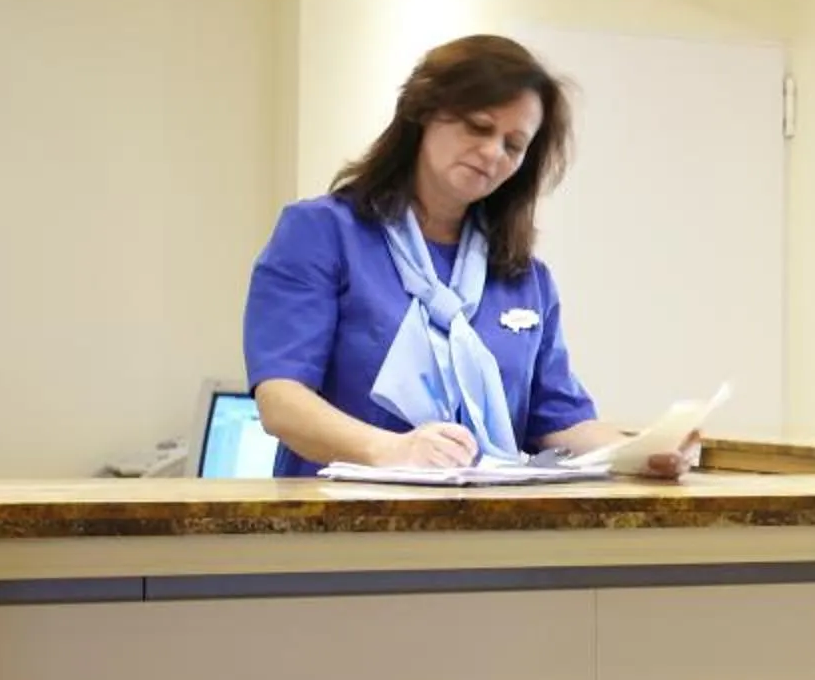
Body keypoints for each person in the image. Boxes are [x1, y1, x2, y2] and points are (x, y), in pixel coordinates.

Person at [242, 34, 692, 480]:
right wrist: (392, 450)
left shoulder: (523, 276)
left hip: (483, 538)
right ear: (423, 112)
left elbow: (559, 421)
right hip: (341, 535)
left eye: (513, 145)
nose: (493, 153)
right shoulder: (322, 233)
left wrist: (642, 452)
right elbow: (282, 401)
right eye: (479, 127)